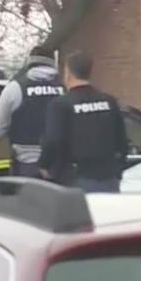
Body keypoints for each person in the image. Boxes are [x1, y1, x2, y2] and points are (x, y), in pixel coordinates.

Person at [39, 51, 128, 192]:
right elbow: (122, 139)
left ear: (68, 73)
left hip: (76, 177)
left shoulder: (60, 105)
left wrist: (45, 165)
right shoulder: (109, 101)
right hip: (108, 177)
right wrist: (118, 167)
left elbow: (53, 140)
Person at [0, 45, 65, 177]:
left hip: (26, 167)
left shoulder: (15, 88)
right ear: (54, 63)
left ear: (29, 62)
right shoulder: (64, 88)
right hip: (60, 167)